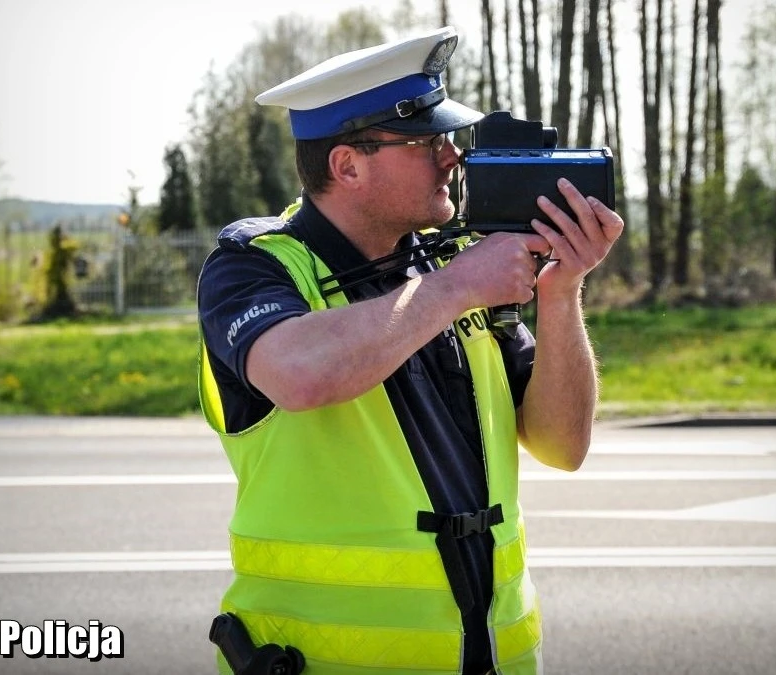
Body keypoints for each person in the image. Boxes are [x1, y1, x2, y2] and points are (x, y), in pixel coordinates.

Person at [197, 26, 623, 675]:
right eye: (428, 142)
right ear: (347, 165)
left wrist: (561, 293)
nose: (453, 156)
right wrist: (455, 287)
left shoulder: (456, 265)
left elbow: (563, 445)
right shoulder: (253, 267)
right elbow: (299, 375)